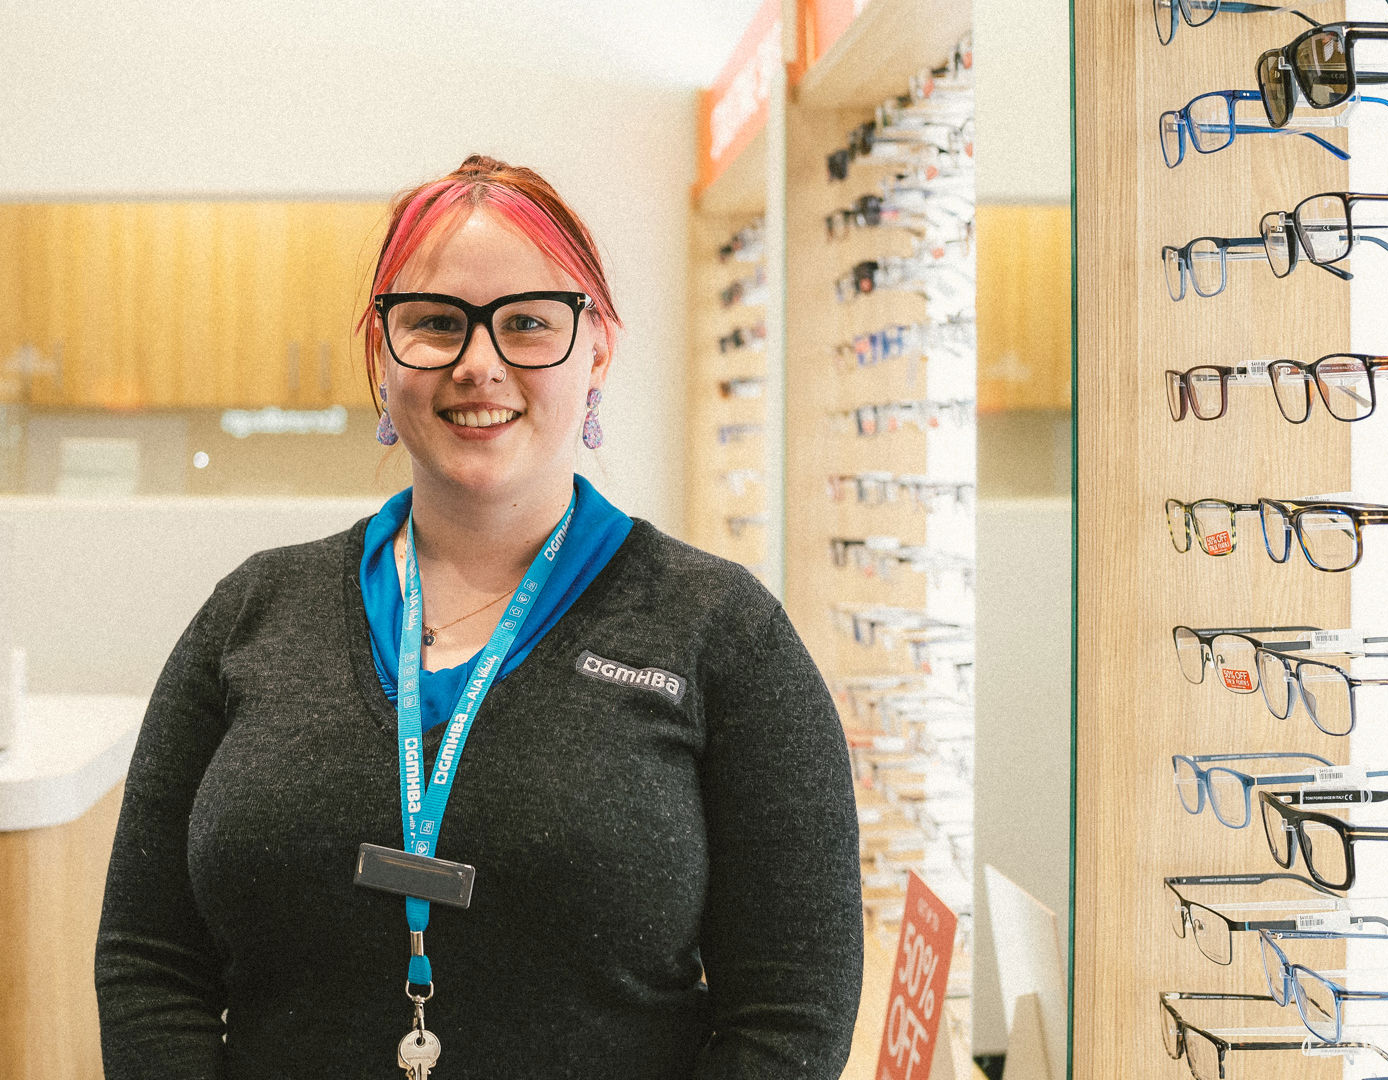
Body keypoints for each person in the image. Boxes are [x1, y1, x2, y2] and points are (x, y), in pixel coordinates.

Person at [96, 156, 863, 1080]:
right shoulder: (251, 613)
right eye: (434, 323)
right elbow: (150, 963)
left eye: (529, 322)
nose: (478, 364)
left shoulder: (722, 636)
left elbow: (791, 1013)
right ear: (381, 356)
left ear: (598, 352)